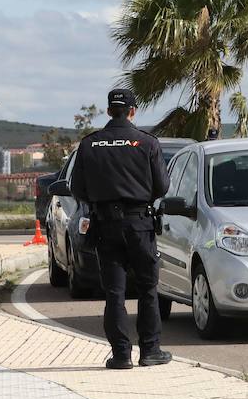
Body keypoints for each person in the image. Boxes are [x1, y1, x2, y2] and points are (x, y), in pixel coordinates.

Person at [70, 88, 173, 369]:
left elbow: (76, 187)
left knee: (114, 292)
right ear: (133, 111)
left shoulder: (90, 144)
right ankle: (150, 351)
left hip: (106, 225)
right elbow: (162, 186)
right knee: (147, 289)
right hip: (140, 223)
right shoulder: (147, 143)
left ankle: (121, 354)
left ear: (107, 111)